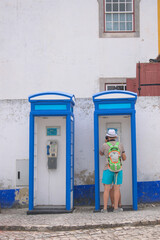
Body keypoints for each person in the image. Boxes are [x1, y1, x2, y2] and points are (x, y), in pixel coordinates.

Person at [99, 129, 126, 213]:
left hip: (108, 168)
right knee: (116, 189)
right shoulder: (120, 145)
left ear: (107, 137)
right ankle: (116, 208)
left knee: (107, 189)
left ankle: (105, 209)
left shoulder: (104, 145)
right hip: (118, 169)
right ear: (115, 137)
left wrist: (105, 142)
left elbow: (101, 153)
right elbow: (124, 158)